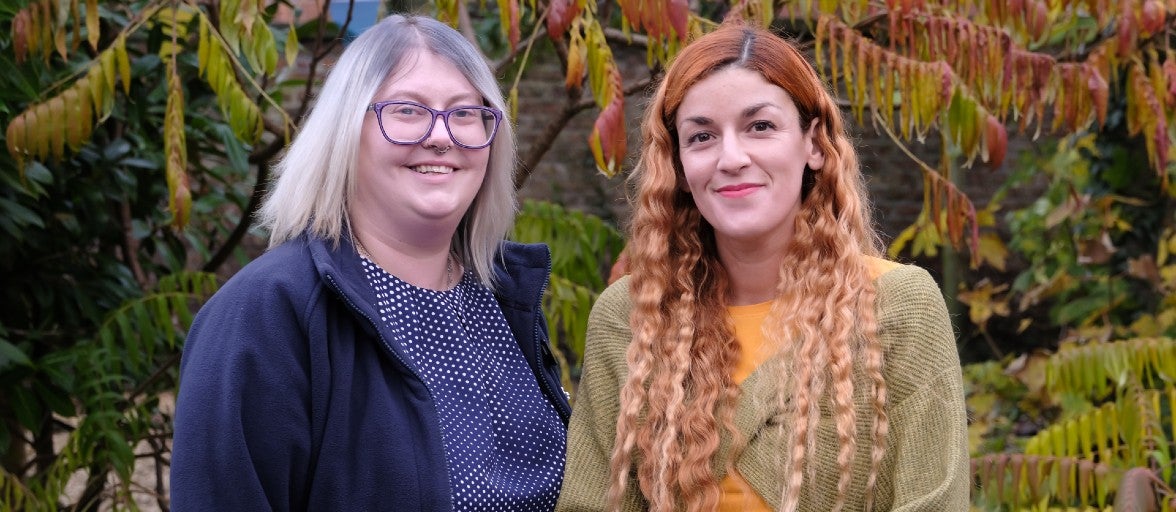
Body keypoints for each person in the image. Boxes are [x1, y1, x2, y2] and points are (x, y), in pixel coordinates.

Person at [556, 20, 969, 512]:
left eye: (760, 127)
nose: (731, 158)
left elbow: (935, 501)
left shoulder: (898, 307)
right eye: (702, 137)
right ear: (680, 168)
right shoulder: (630, 318)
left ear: (814, 144)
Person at [171, 14, 570, 511]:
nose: (442, 136)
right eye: (408, 110)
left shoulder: (504, 298)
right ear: (345, 130)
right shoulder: (266, 314)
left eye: (466, 113)